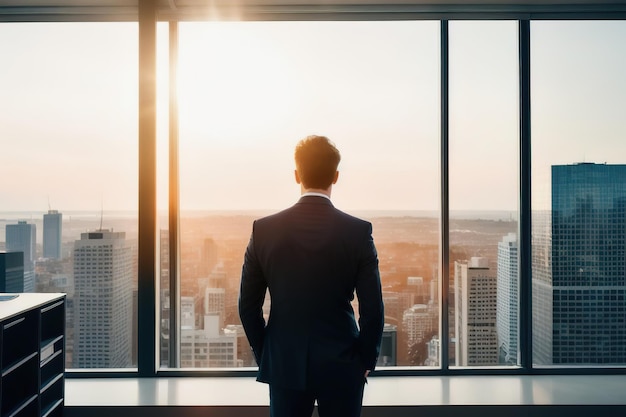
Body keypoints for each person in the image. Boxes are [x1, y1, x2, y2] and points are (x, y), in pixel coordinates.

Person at [238, 135, 384, 417]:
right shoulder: (358, 232)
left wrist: (269, 354)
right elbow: (373, 308)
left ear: (296, 175)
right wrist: (365, 359)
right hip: (343, 363)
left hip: (284, 362)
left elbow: (247, 307)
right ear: (336, 176)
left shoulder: (263, 231)